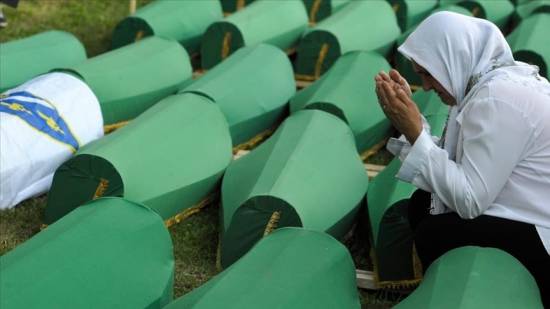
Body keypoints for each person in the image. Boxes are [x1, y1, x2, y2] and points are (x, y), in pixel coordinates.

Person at [374, 11, 550, 307]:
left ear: (453, 59)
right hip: (528, 214)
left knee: (438, 230)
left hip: (543, 237)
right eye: (421, 76)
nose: (427, 86)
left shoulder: (498, 98)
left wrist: (415, 132)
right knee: (422, 204)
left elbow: (469, 200)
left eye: (428, 74)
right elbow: (454, 168)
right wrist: (413, 128)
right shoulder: (483, 82)